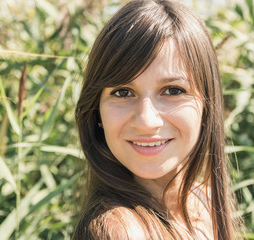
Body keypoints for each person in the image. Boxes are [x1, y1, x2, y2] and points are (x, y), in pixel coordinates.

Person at [73, 0, 242, 239]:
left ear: (207, 107)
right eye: (123, 92)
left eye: (173, 91)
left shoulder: (205, 203)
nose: (146, 121)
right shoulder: (122, 232)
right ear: (96, 111)